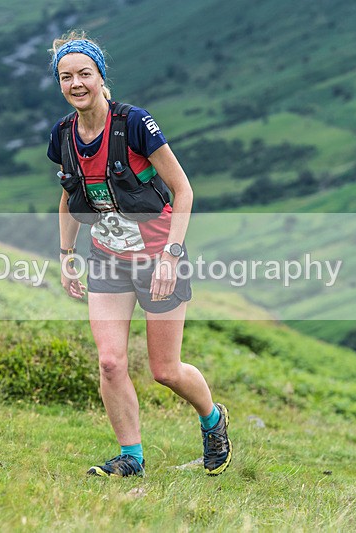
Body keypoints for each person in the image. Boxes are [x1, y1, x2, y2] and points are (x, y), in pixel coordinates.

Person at [47, 30, 232, 477]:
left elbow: (183, 189)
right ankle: (132, 458)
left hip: (158, 258)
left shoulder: (133, 124)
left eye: (84, 74)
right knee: (110, 362)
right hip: (108, 258)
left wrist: (171, 254)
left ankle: (213, 419)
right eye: (66, 76)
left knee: (165, 370)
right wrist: (67, 253)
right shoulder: (63, 136)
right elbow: (70, 195)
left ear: (100, 77)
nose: (76, 84)